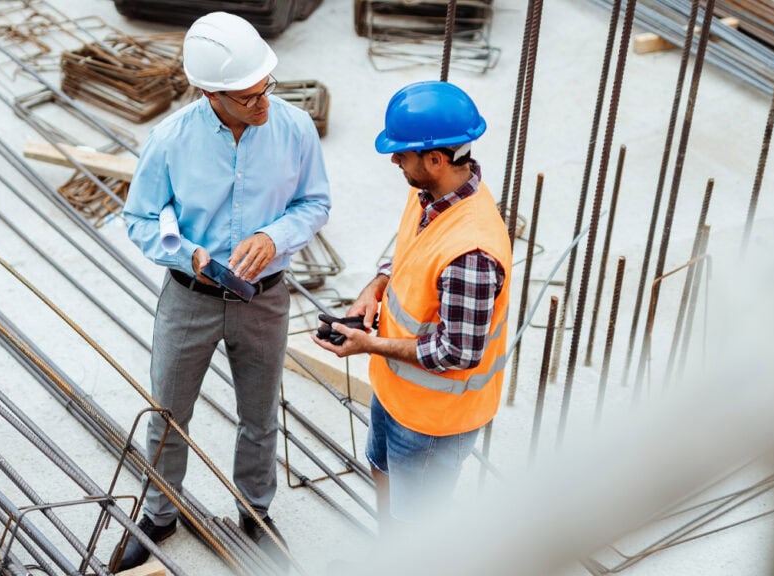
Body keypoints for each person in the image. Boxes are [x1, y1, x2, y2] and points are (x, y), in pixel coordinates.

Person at [119, 11, 331, 570]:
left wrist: (275, 234)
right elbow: (139, 217)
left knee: (260, 415)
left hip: (264, 298)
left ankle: (254, 511)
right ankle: (160, 514)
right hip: (190, 296)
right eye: (248, 97)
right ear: (210, 93)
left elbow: (315, 202)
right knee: (168, 412)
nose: (263, 103)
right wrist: (183, 252)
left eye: (267, 88)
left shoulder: (293, 128)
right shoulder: (169, 141)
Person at [312, 81, 511, 525]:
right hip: (397, 391)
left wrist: (369, 345)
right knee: (383, 473)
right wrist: (375, 286)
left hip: (433, 420)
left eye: (402, 154)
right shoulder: (429, 195)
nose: (394, 160)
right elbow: (409, 249)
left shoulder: (471, 253)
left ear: (436, 159)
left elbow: (455, 352)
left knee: (414, 526)